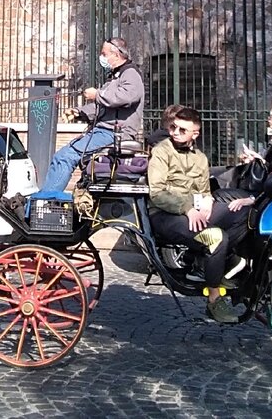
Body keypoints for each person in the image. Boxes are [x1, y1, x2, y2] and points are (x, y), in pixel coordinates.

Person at [146, 106, 250, 325]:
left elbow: (203, 191)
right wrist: (187, 208)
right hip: (166, 216)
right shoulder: (161, 151)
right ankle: (214, 300)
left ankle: (215, 264)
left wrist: (207, 203)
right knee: (215, 237)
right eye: (173, 127)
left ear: (195, 134)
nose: (175, 132)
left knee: (244, 212)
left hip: (194, 213)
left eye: (182, 130)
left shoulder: (200, 159)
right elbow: (157, 193)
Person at [40, 37, 144, 193]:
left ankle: (46, 201)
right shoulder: (116, 76)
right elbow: (103, 107)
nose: (102, 58)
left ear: (116, 54)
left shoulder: (130, 74)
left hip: (113, 133)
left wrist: (98, 94)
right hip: (104, 131)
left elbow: (127, 97)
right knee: (74, 162)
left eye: (104, 53)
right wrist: (79, 112)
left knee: (64, 157)